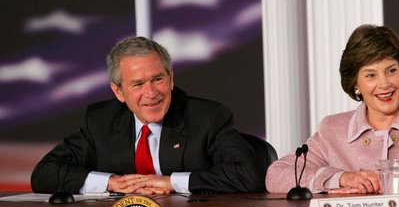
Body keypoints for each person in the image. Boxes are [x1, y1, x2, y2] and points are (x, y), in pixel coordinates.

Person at [31, 36, 265, 195]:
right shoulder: (101, 120)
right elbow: (44, 174)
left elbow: (248, 175)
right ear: (118, 92)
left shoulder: (207, 117)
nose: (151, 93)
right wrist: (112, 183)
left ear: (171, 78)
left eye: (158, 79)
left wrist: (172, 182)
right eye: (138, 84)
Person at [266, 24, 399, 194]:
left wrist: (388, 183)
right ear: (356, 84)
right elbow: (276, 175)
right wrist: (340, 178)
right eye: (370, 75)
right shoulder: (333, 129)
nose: (384, 84)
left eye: (391, 70)